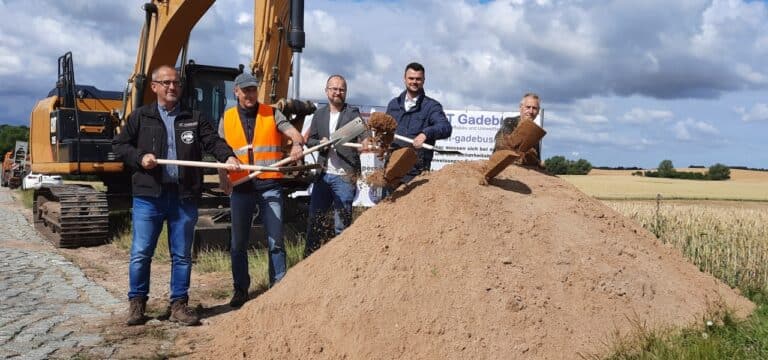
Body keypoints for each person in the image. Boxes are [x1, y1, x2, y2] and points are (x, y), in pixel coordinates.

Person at [114, 65, 240, 326]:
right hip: (149, 197)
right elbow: (120, 146)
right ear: (155, 87)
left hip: (184, 197)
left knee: (182, 255)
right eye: (167, 83)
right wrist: (140, 157)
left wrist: (227, 156)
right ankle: (137, 304)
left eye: (176, 83)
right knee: (141, 252)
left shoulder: (193, 117)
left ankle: (179, 305)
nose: (173, 87)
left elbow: (212, 141)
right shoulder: (141, 117)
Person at [217, 72, 305, 308]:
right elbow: (220, 152)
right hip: (241, 187)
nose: (250, 94)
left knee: (276, 241)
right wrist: (222, 176)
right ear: (236, 92)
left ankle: (279, 287)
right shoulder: (227, 118)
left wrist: (297, 143)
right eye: (245, 91)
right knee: (238, 243)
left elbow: (293, 133)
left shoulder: (272, 112)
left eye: (253, 90)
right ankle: (240, 290)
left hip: (269, 186)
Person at [304, 75, 364, 257]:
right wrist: (320, 142)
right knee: (315, 222)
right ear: (326, 91)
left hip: (344, 176)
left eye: (341, 89)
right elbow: (309, 140)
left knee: (342, 226)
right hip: (323, 175)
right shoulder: (319, 114)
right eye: (334, 89)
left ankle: (341, 262)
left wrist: (367, 142)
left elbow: (364, 134)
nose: (338, 92)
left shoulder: (352, 114)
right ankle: (308, 263)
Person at [385, 62, 452, 184]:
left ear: (423, 80)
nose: (414, 82)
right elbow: (386, 133)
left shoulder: (431, 106)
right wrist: (382, 145)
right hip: (391, 171)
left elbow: (445, 128)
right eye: (411, 78)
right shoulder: (393, 105)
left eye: (418, 79)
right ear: (404, 79)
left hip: (416, 174)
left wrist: (425, 134)